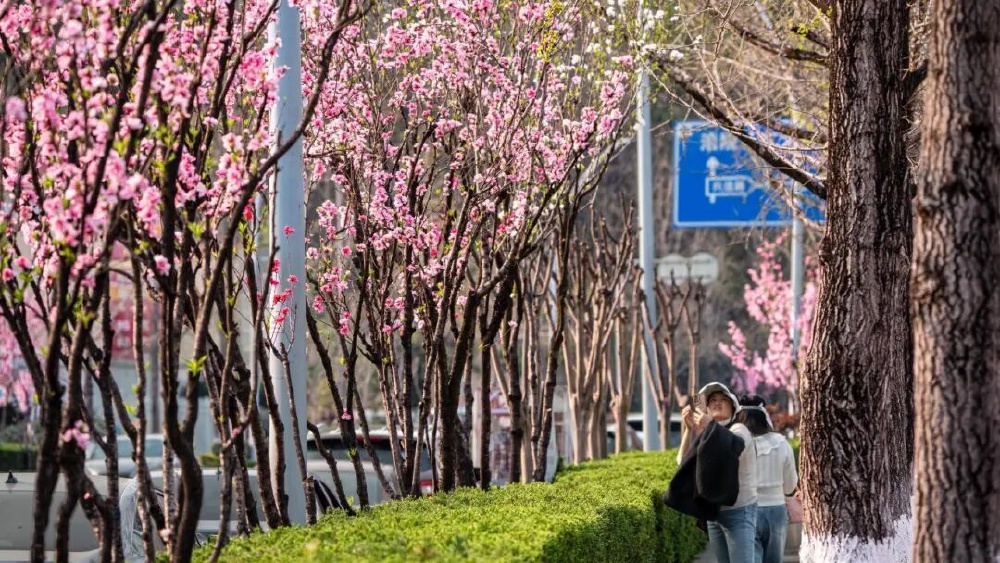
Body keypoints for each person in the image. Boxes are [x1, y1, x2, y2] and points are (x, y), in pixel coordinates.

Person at [677, 382, 758, 563]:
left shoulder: (740, 430)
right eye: (712, 400)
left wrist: (711, 426)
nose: (717, 403)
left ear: (733, 407)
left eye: (723, 400)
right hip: (714, 514)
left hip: (740, 512)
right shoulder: (708, 433)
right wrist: (689, 430)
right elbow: (682, 463)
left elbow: (733, 447)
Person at [736, 395, 798, 563]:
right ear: (764, 417)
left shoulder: (736, 444)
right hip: (776, 510)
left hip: (745, 510)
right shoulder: (781, 444)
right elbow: (790, 486)